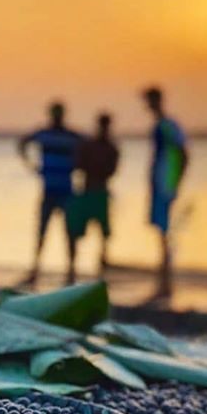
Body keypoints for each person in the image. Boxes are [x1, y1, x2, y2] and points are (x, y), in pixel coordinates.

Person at [18, 101, 82, 284]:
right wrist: (31, 165)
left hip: (67, 190)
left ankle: (71, 273)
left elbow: (88, 147)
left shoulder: (72, 136)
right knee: (41, 232)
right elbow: (23, 142)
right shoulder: (44, 134)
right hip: (49, 190)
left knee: (69, 232)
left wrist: (79, 166)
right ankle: (35, 270)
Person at [142, 86, 189, 297]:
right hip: (160, 182)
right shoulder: (161, 125)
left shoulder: (168, 126)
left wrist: (177, 181)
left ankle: (166, 274)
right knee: (161, 227)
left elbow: (183, 153)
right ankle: (164, 273)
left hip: (165, 182)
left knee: (164, 227)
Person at [69, 112, 120, 271]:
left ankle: (102, 263)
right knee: (77, 231)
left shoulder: (111, 148)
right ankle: (72, 268)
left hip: (99, 192)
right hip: (88, 192)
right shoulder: (90, 145)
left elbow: (111, 170)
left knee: (103, 232)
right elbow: (79, 164)